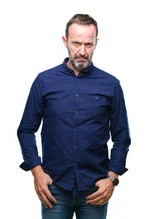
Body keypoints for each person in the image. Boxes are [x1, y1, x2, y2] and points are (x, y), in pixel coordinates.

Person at [16, 14, 131, 219]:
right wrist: (37, 172)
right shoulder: (44, 81)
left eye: (89, 44)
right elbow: (26, 129)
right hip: (55, 186)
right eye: (76, 43)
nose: (82, 51)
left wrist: (112, 178)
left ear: (96, 43)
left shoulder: (111, 85)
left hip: (95, 188)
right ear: (65, 41)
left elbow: (122, 137)